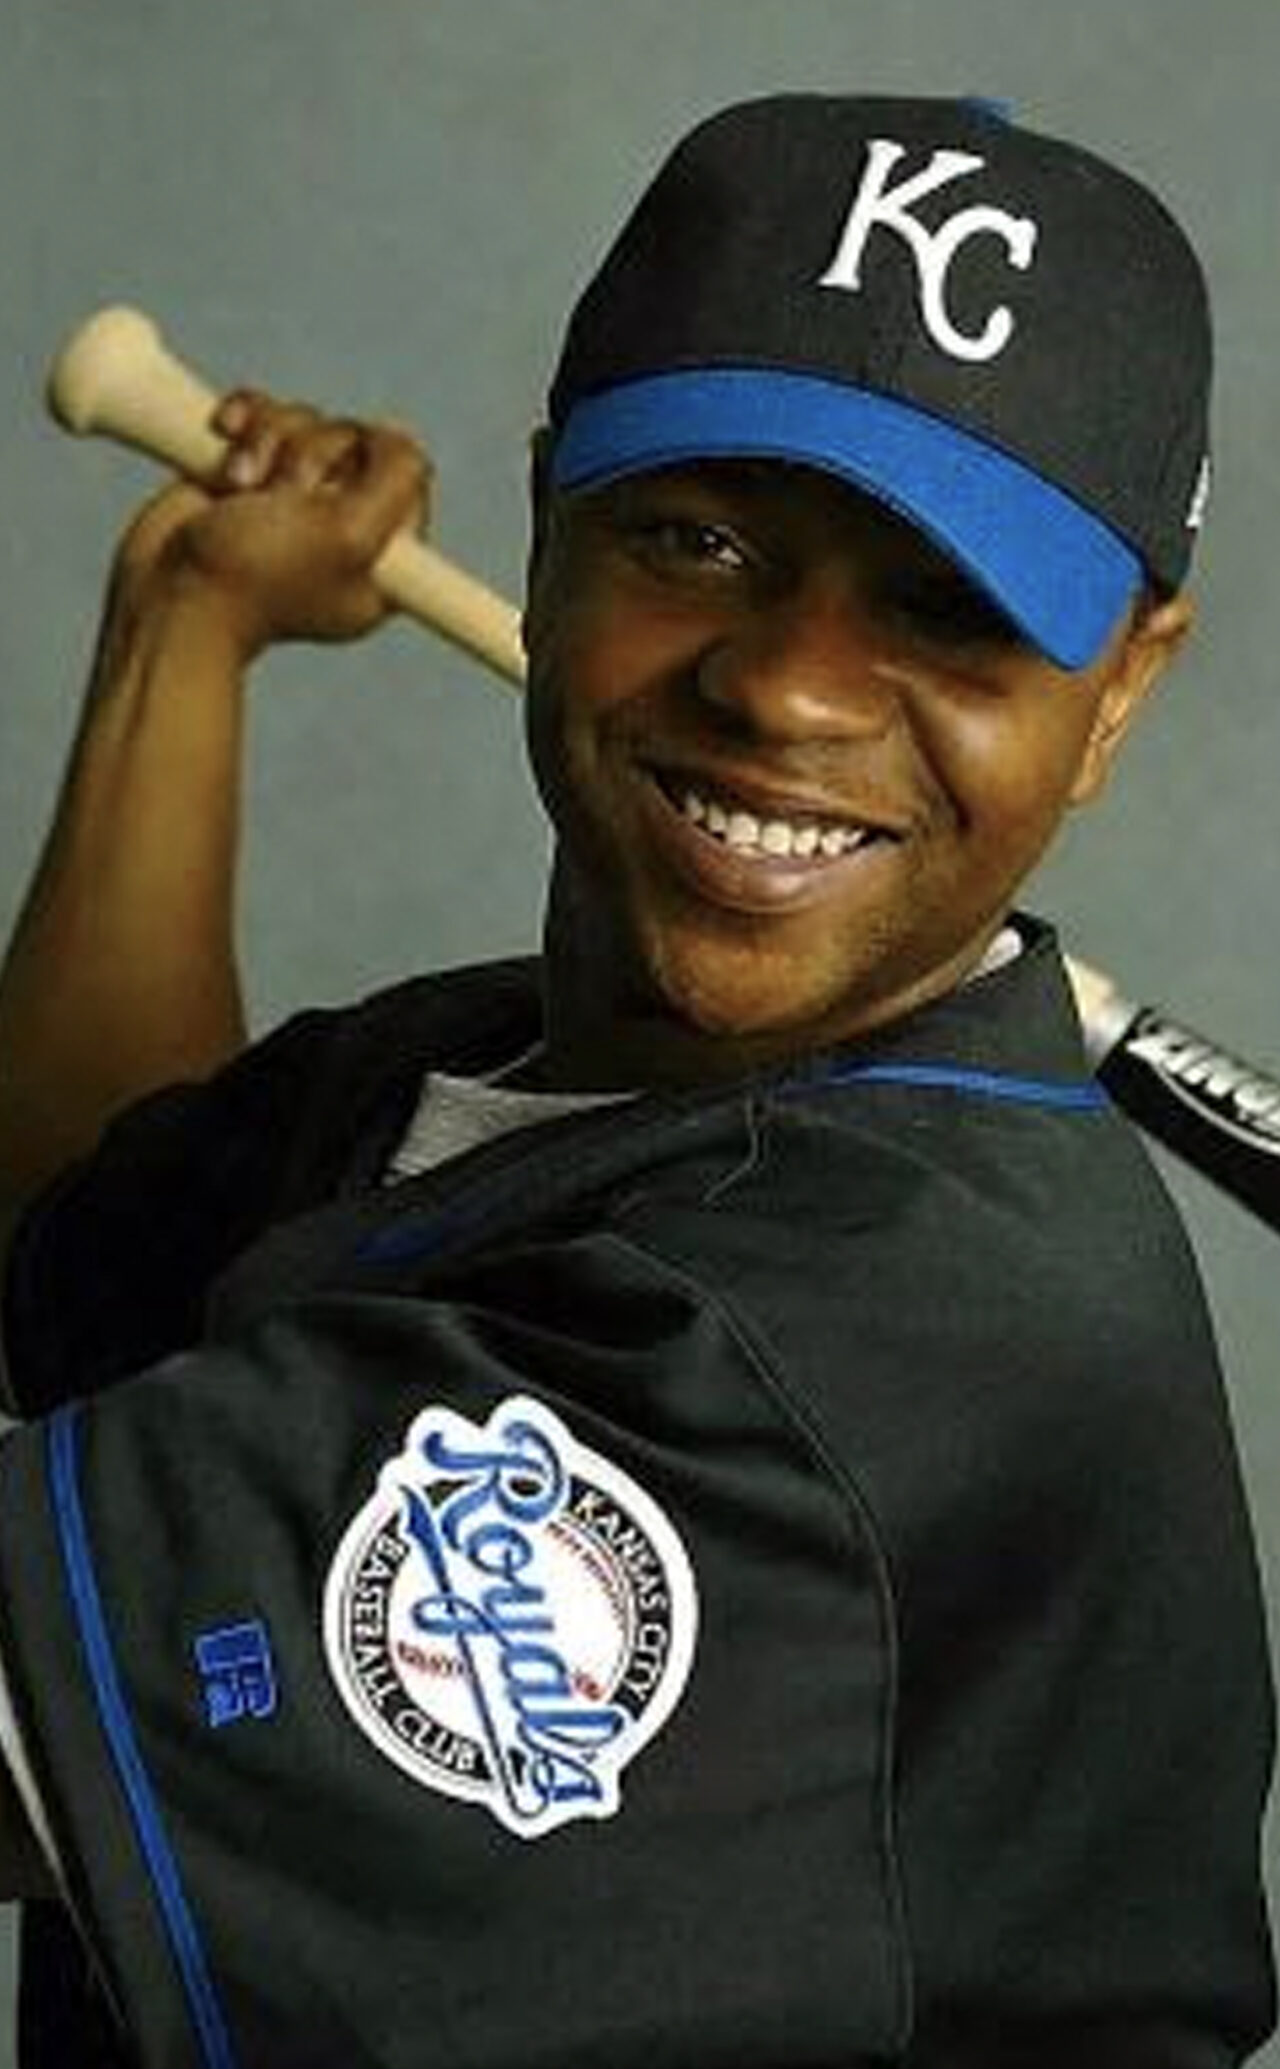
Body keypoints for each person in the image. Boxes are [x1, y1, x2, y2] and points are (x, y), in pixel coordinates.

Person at [0, 90, 1273, 2068]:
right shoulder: (508, 1072)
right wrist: (188, 629)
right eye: (700, 540)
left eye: (948, 607)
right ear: (548, 527)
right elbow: (86, 1248)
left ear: (1118, 687)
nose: (786, 688)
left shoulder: (870, 1344)